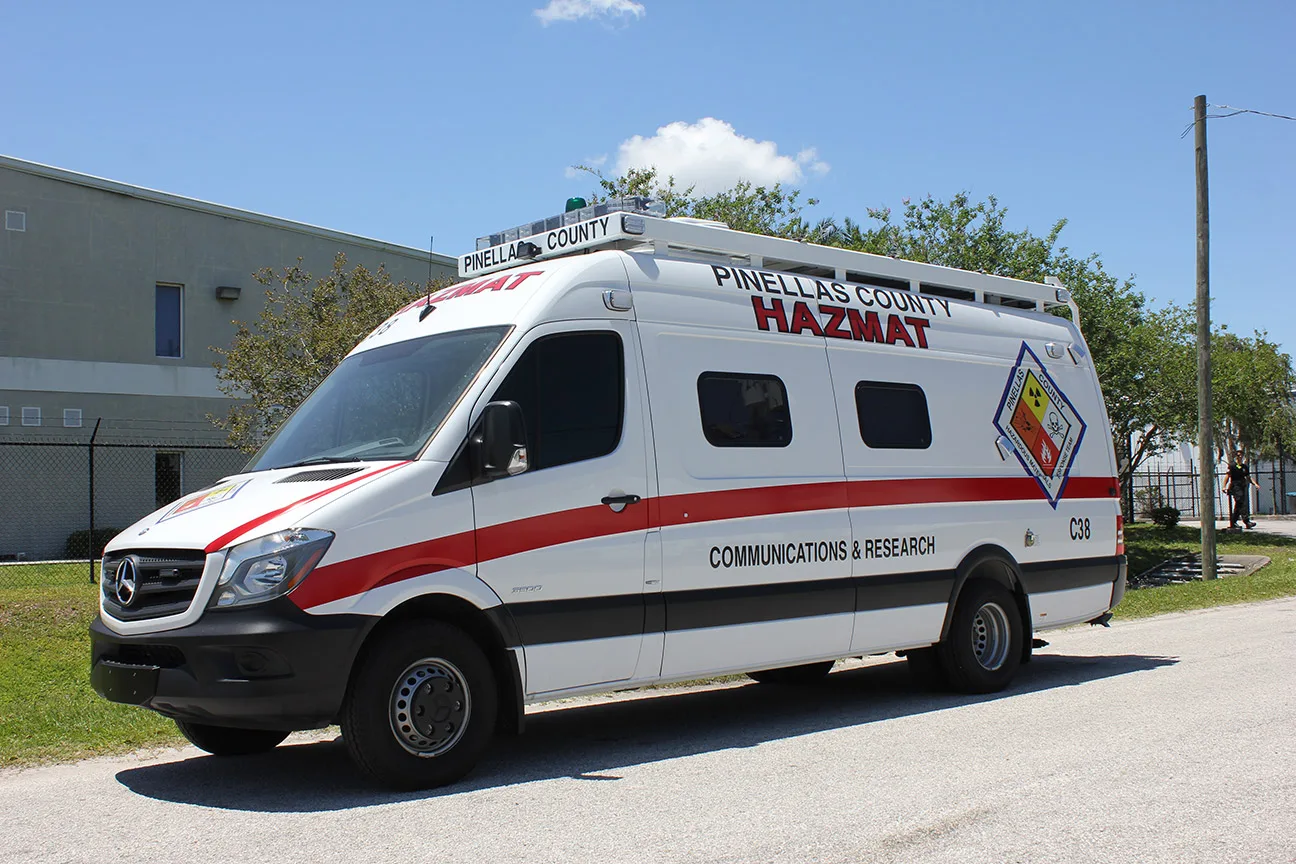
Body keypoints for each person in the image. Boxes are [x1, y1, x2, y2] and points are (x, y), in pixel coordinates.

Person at [1224, 449, 1260, 530]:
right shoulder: (1232, 466)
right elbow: (1227, 476)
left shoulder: (1244, 467)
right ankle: (1245, 521)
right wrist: (1224, 486)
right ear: (1235, 456)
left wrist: (1255, 484)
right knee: (1240, 502)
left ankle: (1235, 521)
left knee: (1240, 504)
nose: (1239, 457)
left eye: (1241, 455)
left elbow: (1248, 477)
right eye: (1238, 455)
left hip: (1242, 486)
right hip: (1235, 486)